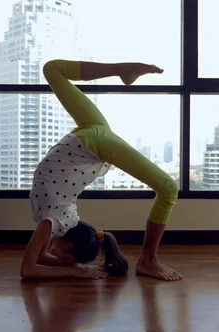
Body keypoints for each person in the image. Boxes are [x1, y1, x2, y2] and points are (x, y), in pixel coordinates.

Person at [20, 59, 182, 281]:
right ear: (67, 245)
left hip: (90, 135)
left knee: (52, 69)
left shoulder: (55, 223)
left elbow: (37, 262)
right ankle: (148, 260)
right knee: (168, 189)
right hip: (92, 142)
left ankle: (120, 70)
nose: (61, 261)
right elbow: (33, 266)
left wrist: (72, 267)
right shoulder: (54, 223)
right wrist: (74, 269)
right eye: (68, 259)